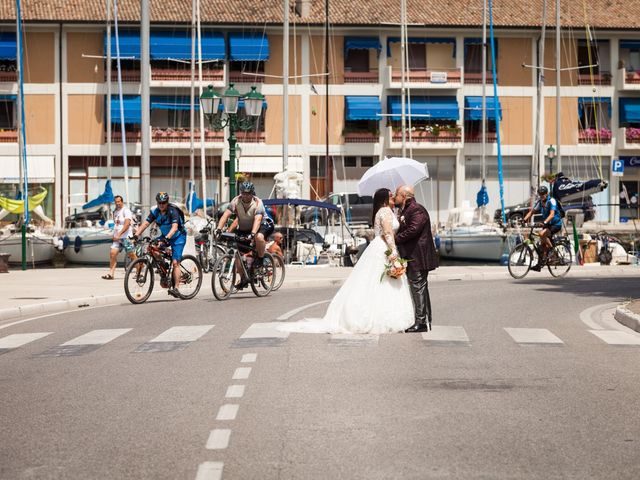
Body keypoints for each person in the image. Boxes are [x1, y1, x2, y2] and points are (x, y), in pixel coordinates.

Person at [278, 188, 414, 334]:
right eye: (391, 195)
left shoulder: (385, 211)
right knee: (381, 281)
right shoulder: (385, 211)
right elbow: (387, 233)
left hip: (379, 246)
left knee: (375, 281)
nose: (393, 197)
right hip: (384, 247)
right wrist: (393, 253)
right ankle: (381, 317)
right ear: (385, 199)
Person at [394, 185, 439, 333]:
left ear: (405, 196)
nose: (395, 197)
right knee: (419, 287)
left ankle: (421, 322)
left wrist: (396, 238)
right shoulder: (406, 210)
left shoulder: (417, 209)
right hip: (412, 254)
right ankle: (424, 319)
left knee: (418, 287)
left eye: (397, 195)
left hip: (418, 255)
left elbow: (414, 229)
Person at [133, 192, 186, 297]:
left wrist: (167, 238)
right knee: (152, 247)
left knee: (175, 263)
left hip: (178, 237)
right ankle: (163, 266)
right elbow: (146, 223)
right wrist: (136, 234)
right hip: (165, 235)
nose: (162, 205)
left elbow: (174, 227)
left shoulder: (173, 211)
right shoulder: (155, 212)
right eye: (159, 203)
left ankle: (176, 288)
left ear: (167, 202)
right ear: (157, 203)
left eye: (164, 202)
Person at [216, 181, 274, 274]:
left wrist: (253, 234)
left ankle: (260, 258)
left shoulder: (258, 203)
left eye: (248, 194)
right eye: (244, 193)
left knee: (258, 237)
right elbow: (226, 215)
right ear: (241, 193)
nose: (246, 196)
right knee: (237, 252)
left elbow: (258, 220)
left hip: (263, 225)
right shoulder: (235, 201)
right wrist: (219, 229)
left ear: (252, 193)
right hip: (246, 227)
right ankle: (243, 278)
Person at [523, 185, 563, 271]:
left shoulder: (551, 201)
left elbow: (552, 214)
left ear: (547, 193)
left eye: (543, 194)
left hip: (556, 224)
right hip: (547, 225)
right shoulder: (540, 202)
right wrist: (524, 220)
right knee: (542, 246)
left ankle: (552, 251)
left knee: (541, 234)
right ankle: (539, 265)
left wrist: (544, 222)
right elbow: (532, 212)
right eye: (540, 194)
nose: (541, 196)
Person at [102, 195, 136, 280]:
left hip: (126, 237)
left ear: (122, 202)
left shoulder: (126, 211)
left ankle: (139, 270)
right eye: (116, 202)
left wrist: (119, 234)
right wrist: (115, 235)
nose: (117, 203)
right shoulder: (115, 212)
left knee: (131, 255)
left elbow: (127, 224)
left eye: (118, 202)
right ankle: (111, 274)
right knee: (112, 254)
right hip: (117, 238)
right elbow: (116, 225)